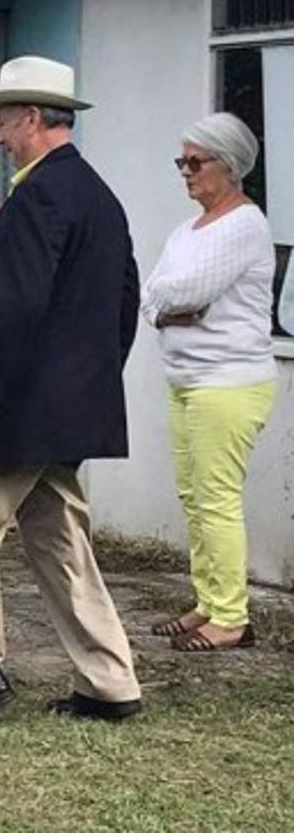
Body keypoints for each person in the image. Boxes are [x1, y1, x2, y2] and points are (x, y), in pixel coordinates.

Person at [0, 55, 142, 722]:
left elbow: (16, 305)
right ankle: (109, 684)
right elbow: (122, 305)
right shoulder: (97, 195)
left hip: (14, 410)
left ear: (36, 118)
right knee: (58, 540)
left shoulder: (39, 195)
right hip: (62, 410)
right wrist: (87, 385)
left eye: (4, 119)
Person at [142, 112, 276, 652]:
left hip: (229, 383)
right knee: (193, 496)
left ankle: (231, 616)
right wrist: (167, 308)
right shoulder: (186, 230)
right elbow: (154, 295)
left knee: (216, 497)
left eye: (195, 162)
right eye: (183, 162)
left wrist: (173, 304)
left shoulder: (245, 224)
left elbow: (191, 290)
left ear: (230, 165)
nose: (186, 173)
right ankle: (208, 600)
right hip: (189, 379)